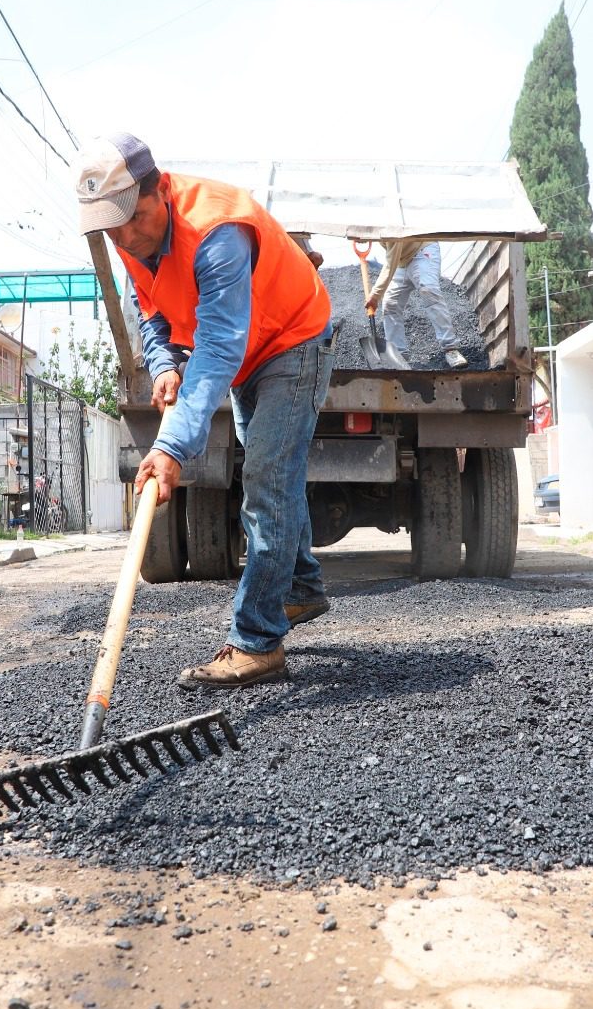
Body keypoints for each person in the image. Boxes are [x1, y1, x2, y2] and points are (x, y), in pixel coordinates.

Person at [77, 133, 334, 688]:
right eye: (112, 227)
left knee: (267, 478)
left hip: (292, 341)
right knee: (275, 477)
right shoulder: (129, 238)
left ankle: (257, 643)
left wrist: (171, 447)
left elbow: (218, 343)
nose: (125, 237)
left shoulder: (217, 232)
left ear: (160, 190)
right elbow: (154, 315)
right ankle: (301, 588)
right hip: (246, 355)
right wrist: (164, 361)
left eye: (134, 218)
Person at [365, 240, 468, 370]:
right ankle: (398, 358)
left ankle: (451, 349)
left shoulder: (389, 225)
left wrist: (375, 295)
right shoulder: (373, 226)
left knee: (428, 290)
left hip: (422, 251)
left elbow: (391, 261)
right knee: (390, 303)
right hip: (401, 261)